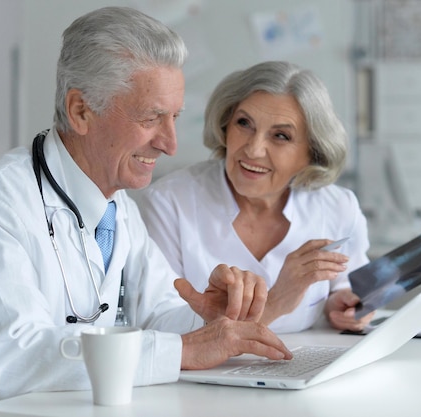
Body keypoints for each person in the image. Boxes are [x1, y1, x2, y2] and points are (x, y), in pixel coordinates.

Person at [0, 8, 292, 417]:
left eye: (173, 118)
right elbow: (13, 358)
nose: (170, 144)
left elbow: (155, 313)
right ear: (81, 111)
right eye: (151, 118)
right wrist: (186, 348)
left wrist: (207, 320)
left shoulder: (117, 207)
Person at [136, 61, 374, 334]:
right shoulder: (168, 203)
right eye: (244, 124)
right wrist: (277, 301)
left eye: (281, 136)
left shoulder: (338, 206)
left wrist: (340, 306)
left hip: (306, 365)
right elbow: (161, 327)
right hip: (202, 374)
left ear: (313, 152)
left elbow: (344, 284)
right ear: (225, 125)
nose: (254, 149)